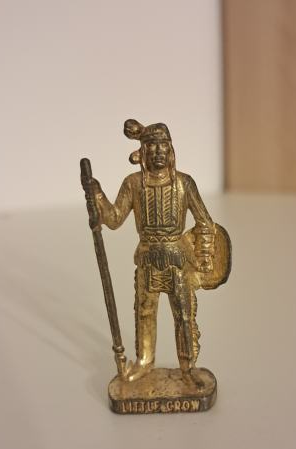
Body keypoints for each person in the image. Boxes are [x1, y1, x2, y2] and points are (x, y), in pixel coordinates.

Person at [92, 119, 216, 386]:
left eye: (163, 146)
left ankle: (188, 367)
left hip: (177, 260)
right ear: (143, 152)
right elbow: (114, 219)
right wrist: (98, 195)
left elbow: (205, 222)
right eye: (152, 147)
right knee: (145, 312)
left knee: (183, 314)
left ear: (170, 150)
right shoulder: (133, 184)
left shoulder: (184, 183)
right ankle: (145, 361)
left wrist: (205, 256)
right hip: (147, 259)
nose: (158, 152)